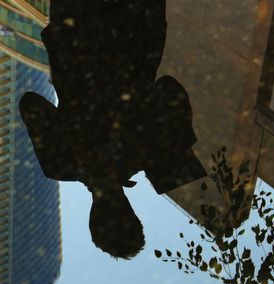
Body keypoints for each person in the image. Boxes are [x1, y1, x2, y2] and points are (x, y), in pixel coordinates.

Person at [19, 0, 207, 259]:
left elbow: (169, 88)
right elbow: (31, 105)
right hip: (86, 30)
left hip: (126, 28)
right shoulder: (60, 164)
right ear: (93, 220)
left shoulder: (148, 153)